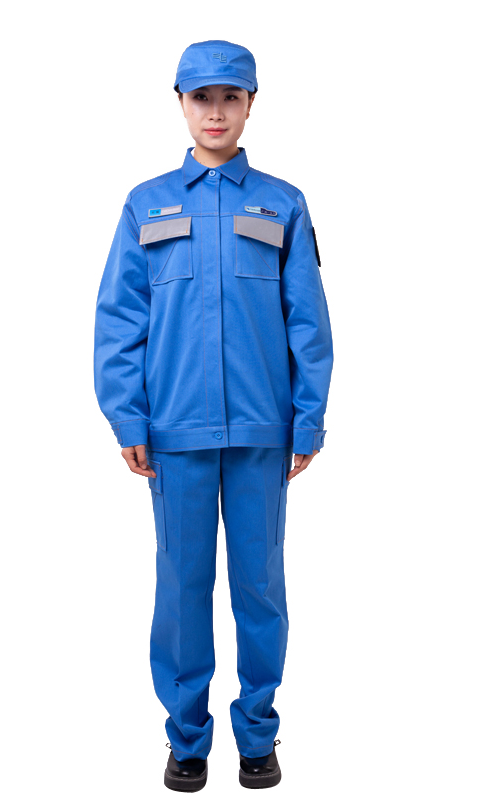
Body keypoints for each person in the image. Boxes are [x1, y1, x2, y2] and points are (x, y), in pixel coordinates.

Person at [93, 39, 334, 791]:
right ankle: (187, 738)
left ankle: (258, 733)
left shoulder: (283, 203)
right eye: (202, 97)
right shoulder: (146, 203)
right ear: (181, 104)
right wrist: (129, 419)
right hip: (176, 435)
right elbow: (119, 320)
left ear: (252, 104)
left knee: (260, 590)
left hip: (262, 434)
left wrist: (308, 419)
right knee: (181, 592)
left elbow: (308, 322)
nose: (217, 111)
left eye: (231, 96)